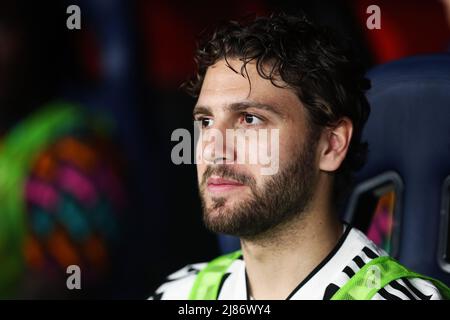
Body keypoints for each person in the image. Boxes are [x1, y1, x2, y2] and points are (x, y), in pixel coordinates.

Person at [150, 13, 450, 300]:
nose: (213, 148)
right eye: (205, 122)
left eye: (249, 119)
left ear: (331, 145)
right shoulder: (181, 291)